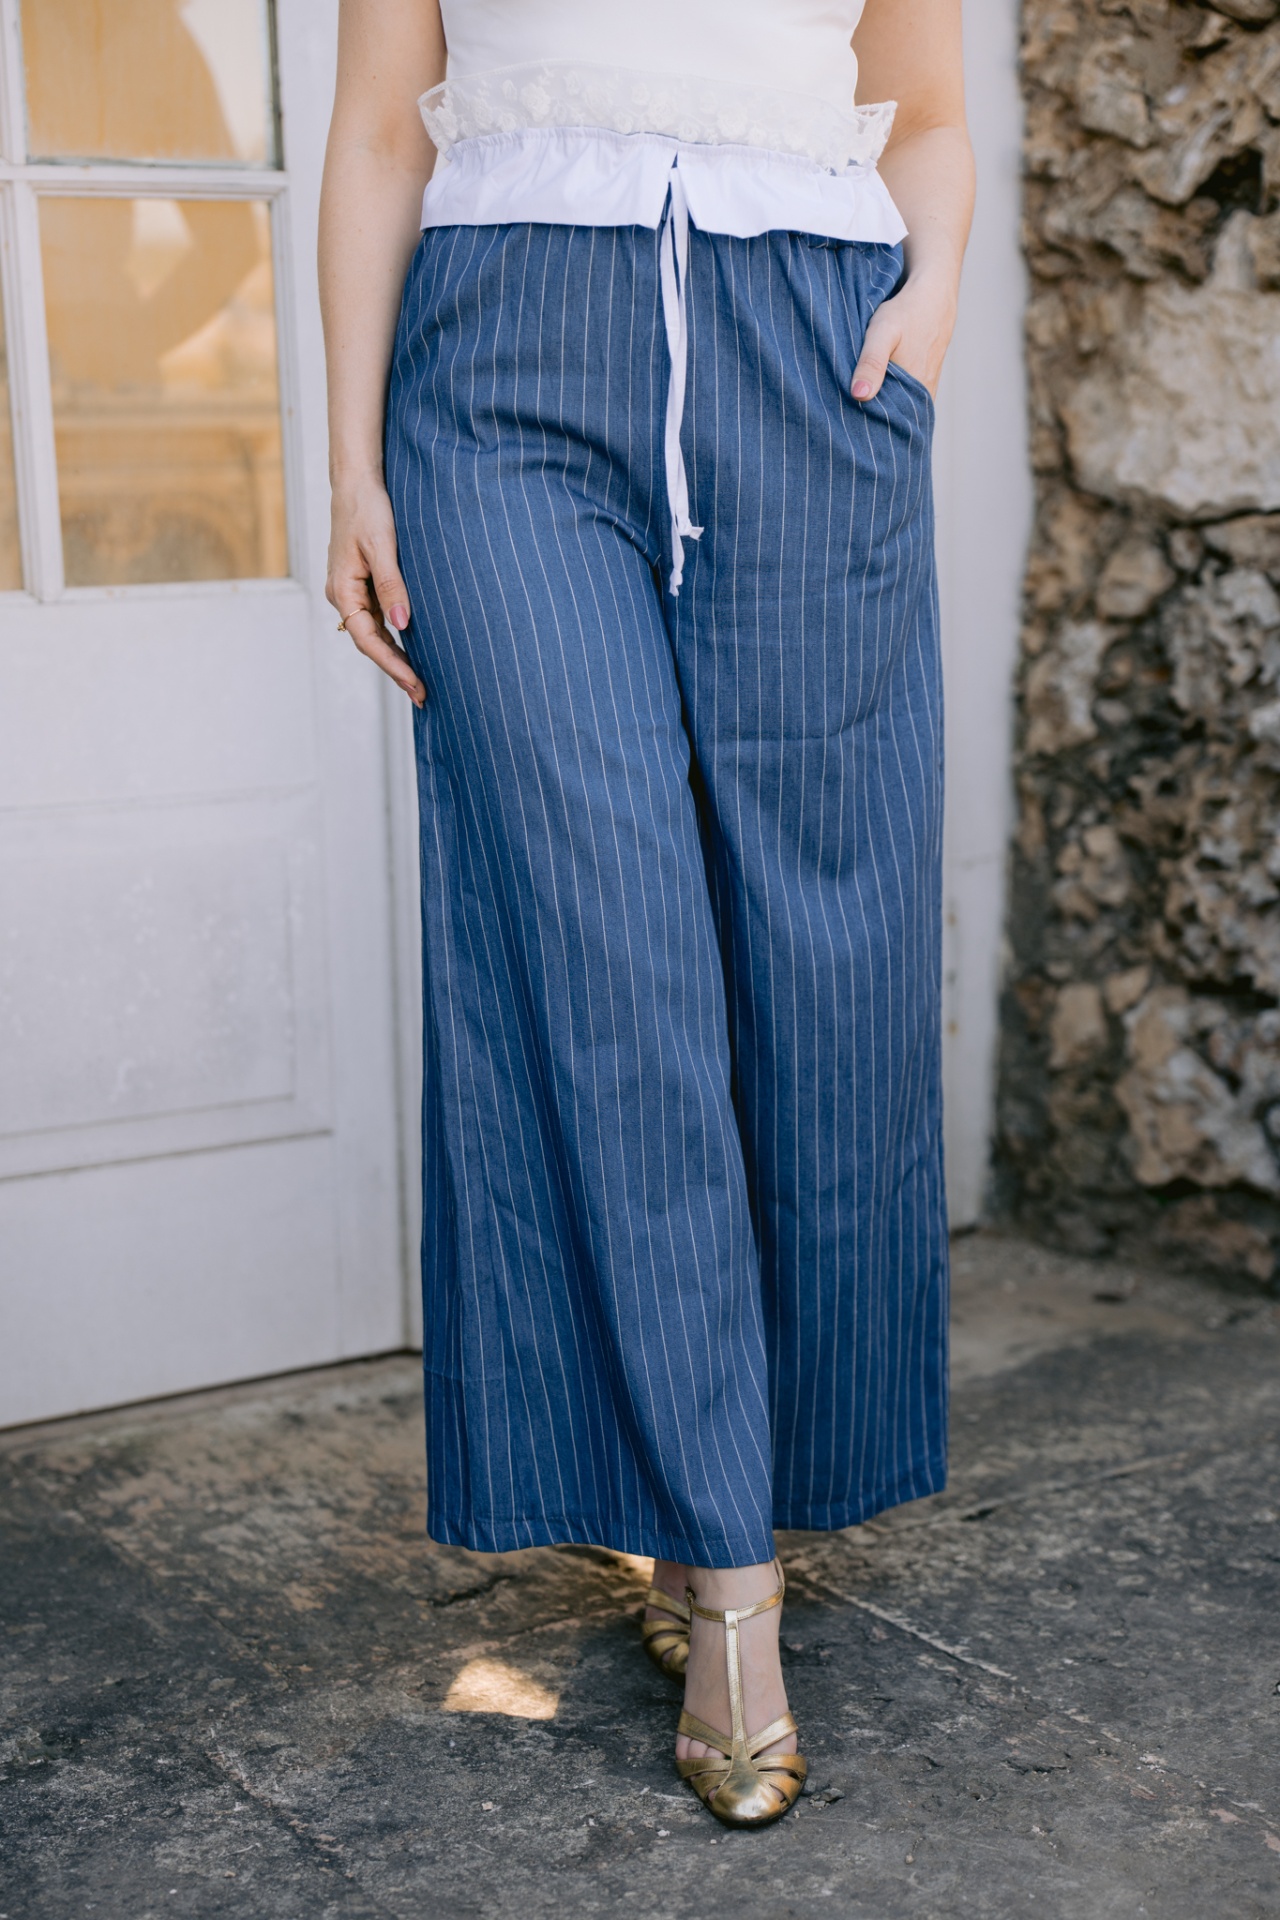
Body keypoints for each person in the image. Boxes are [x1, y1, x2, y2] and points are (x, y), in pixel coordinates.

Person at [320, 0, 972, 1830]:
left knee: (824, 959)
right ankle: (731, 1590)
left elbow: (924, 106)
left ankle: (737, 1485)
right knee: (606, 959)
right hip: (505, 372)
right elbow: (379, 126)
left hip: (813, 353)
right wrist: (354, 462)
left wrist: (926, 304)